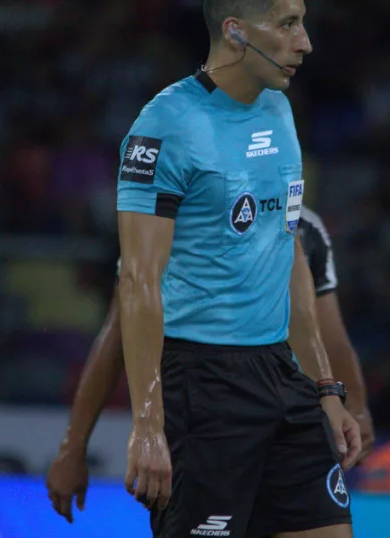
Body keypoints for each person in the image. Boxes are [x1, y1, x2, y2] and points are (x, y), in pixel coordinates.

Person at [114, 0, 360, 536]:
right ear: (235, 31)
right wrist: (148, 424)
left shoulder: (278, 109)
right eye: (288, 24)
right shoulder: (164, 126)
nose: (305, 42)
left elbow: (286, 251)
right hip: (201, 384)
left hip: (279, 375)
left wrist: (324, 387)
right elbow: (137, 282)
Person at [46, 205, 375, 523]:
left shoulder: (305, 228)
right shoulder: (177, 217)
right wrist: (73, 446)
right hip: (206, 413)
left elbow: (331, 336)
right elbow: (118, 333)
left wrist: (354, 407)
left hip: (289, 414)